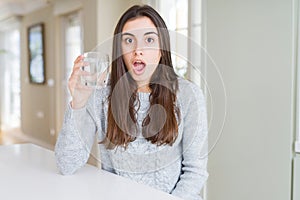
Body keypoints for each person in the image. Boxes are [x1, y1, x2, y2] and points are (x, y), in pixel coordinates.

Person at [55, 4, 208, 200]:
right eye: (129, 40)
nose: (138, 50)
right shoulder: (101, 94)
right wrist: (78, 102)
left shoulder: (188, 95)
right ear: (120, 49)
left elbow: (195, 172)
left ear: (162, 49)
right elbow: (67, 164)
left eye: (149, 40)